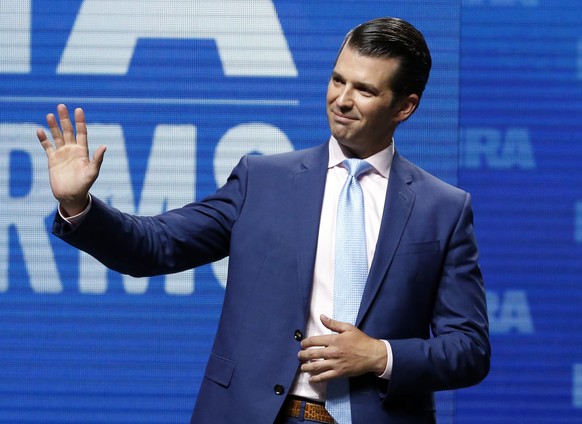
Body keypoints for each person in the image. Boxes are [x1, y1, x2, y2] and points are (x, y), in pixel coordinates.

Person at [36, 17, 490, 424]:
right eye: (337, 80)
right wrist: (81, 205)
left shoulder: (442, 208)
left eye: (365, 90)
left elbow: (469, 349)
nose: (342, 100)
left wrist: (379, 355)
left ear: (404, 107)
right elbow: (155, 246)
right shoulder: (263, 179)